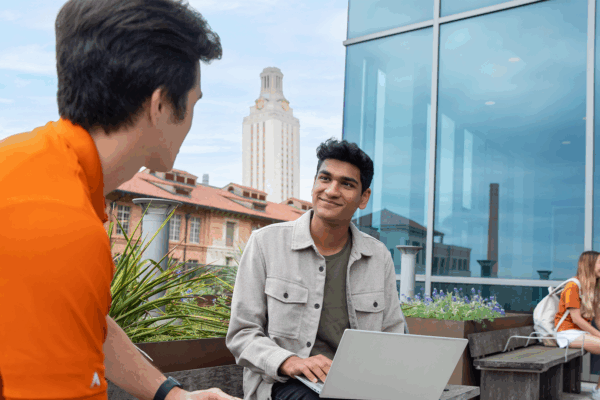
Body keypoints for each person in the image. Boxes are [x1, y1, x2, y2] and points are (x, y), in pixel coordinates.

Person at [0, 1, 238, 400]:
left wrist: (172, 395)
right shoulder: (61, 226)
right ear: (161, 105)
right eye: (194, 103)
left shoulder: (31, 163)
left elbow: (84, 321)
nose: (193, 120)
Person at [226, 139, 407, 400]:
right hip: (285, 382)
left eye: (347, 184)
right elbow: (242, 334)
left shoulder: (378, 257)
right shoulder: (266, 244)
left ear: (363, 197)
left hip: (358, 385)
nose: (331, 191)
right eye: (325, 178)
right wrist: (290, 361)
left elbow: (393, 334)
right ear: (314, 184)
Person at [554, 251, 600, 399]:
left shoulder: (593, 288)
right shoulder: (573, 286)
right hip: (567, 333)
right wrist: (598, 335)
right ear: (589, 265)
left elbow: (598, 319)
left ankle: (598, 389)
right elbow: (576, 319)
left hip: (581, 333)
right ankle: (598, 391)